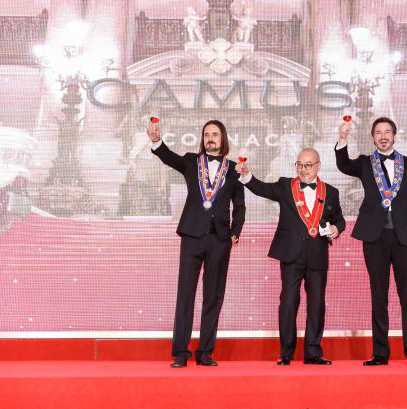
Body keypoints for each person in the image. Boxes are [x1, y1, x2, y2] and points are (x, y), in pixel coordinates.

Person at [335, 117, 407, 366]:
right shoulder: (365, 164)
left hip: (404, 237)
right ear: (373, 138)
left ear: (394, 136)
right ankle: (380, 352)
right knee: (378, 295)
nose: (383, 136)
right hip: (374, 237)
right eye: (378, 132)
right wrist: (343, 139)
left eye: (387, 132)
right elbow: (343, 164)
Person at [147, 119, 245, 368]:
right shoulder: (192, 161)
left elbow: (240, 206)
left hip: (220, 239)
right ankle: (181, 352)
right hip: (192, 235)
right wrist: (156, 141)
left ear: (223, 138)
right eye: (206, 134)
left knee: (213, 296)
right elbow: (169, 157)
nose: (210, 138)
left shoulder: (235, 169)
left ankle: (205, 352)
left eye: (215, 134)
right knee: (186, 294)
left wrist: (235, 232)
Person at [235, 148, 345, 365]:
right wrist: (246, 174)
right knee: (288, 303)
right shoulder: (286, 186)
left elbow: (339, 219)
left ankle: (313, 353)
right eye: (299, 165)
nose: (303, 169)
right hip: (291, 254)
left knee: (316, 305)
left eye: (308, 165)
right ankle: (286, 353)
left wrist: (336, 228)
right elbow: (261, 188)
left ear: (318, 166)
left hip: (317, 255)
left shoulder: (331, 192)